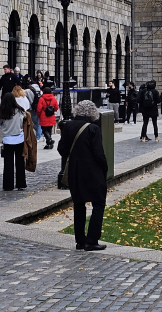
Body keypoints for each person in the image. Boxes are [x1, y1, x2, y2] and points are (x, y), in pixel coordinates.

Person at [57, 99, 108, 251]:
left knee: (79, 204)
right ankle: (92, 240)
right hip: (92, 171)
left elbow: (62, 150)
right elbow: (99, 153)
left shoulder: (68, 126)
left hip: (75, 170)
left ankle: (80, 240)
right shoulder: (93, 128)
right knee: (98, 203)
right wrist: (105, 168)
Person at [0, 93, 27, 191]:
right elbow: (24, 121)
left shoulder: (3, 112)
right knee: (20, 162)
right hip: (19, 139)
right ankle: (21, 184)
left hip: (8, 139)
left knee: (8, 163)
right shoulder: (20, 111)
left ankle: (8, 185)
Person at [36, 83, 60, 149]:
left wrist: (39, 115)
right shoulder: (53, 98)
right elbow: (56, 108)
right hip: (51, 116)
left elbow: (38, 109)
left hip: (44, 116)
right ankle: (49, 143)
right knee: (49, 130)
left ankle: (49, 140)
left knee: (44, 130)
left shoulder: (41, 99)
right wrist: (52, 110)